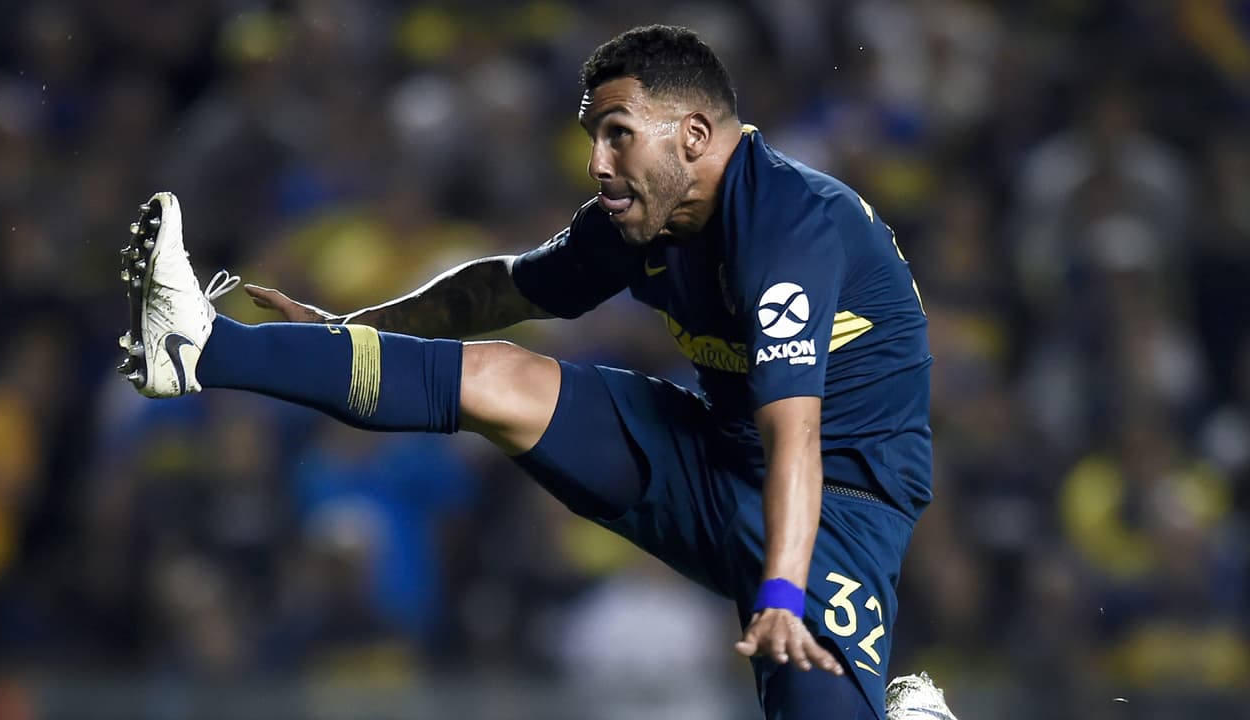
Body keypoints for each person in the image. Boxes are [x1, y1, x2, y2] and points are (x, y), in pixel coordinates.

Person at [117, 25, 957, 720]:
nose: (598, 163)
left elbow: (796, 435)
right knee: (501, 380)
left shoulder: (791, 230)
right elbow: (503, 289)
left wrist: (780, 591)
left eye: (618, 133)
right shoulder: (641, 218)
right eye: (594, 137)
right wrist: (350, 331)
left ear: (694, 136)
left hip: (836, 503)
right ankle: (199, 345)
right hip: (715, 455)